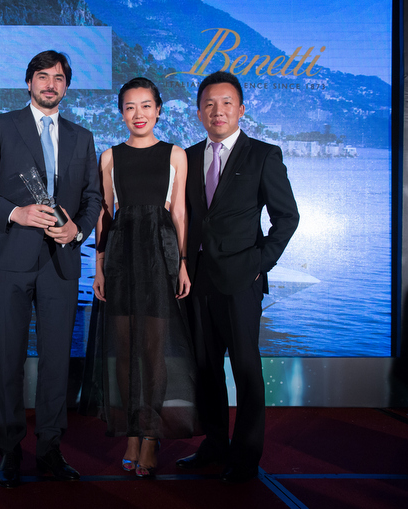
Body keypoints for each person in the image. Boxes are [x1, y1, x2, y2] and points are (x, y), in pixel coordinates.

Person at [0, 50, 101, 488]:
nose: (50, 84)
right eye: (42, 76)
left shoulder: (82, 137)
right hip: (10, 259)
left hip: (61, 262)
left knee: (57, 361)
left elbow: (93, 198)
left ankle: (50, 448)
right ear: (29, 83)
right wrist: (15, 213)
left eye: (58, 78)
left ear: (67, 86)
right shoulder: (2, 126)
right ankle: (8, 449)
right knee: (10, 359)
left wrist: (78, 230)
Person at [176, 71, 299, 483]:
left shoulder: (263, 155)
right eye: (209, 104)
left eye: (226, 103)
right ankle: (214, 445)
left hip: (242, 281)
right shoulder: (188, 157)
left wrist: (260, 262)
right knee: (206, 368)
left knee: (246, 370)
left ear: (241, 109)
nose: (218, 111)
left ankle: (245, 458)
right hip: (197, 280)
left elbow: (287, 217)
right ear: (199, 112)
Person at [91, 77, 200, 478]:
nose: (138, 114)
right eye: (130, 107)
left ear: (158, 110)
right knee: (123, 351)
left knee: (153, 351)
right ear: (121, 113)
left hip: (159, 256)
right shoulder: (109, 156)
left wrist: (182, 262)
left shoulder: (175, 154)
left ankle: (151, 435)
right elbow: (104, 213)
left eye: (146, 106)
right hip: (121, 258)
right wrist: (99, 266)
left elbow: (180, 212)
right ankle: (131, 432)